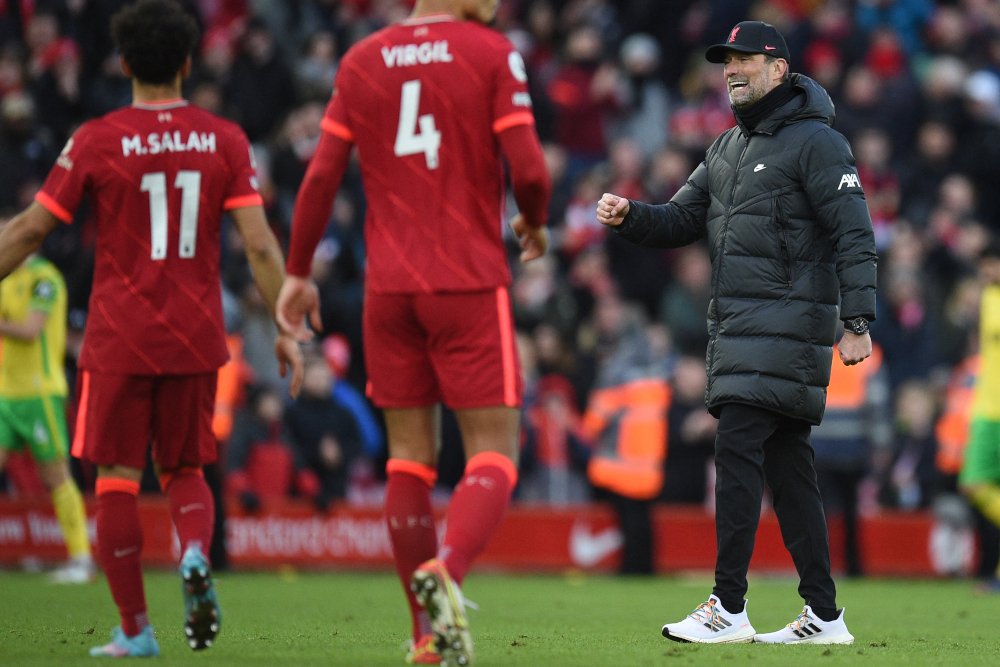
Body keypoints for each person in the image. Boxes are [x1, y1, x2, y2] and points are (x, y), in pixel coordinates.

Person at [0, 0, 303, 658]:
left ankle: (136, 629)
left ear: (126, 63)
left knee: (114, 478)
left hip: (118, 334)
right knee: (185, 466)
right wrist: (285, 326)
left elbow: (30, 229)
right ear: (190, 63)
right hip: (195, 332)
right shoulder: (225, 138)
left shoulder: (97, 138)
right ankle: (194, 549)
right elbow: (258, 245)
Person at [275, 0, 552, 663]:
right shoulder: (490, 51)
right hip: (467, 279)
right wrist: (534, 221)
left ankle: (427, 637)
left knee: (408, 458)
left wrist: (297, 271)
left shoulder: (362, 58)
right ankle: (447, 570)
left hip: (387, 288)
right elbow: (532, 169)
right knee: (494, 451)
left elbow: (319, 176)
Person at [597, 21, 877, 645]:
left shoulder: (817, 143)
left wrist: (857, 320)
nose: (731, 70)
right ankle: (825, 617)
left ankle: (728, 605)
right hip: (744, 331)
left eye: (745, 59)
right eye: (726, 61)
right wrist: (631, 216)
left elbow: (855, 232)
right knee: (789, 471)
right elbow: (680, 218)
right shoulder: (726, 148)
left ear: (779, 69)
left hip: (785, 328)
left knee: (739, 450)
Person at [0, 249, 94, 584]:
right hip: (6, 393)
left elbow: (29, 329)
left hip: (40, 392)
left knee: (55, 475)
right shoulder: (6, 277)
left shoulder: (45, 279)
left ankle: (81, 560)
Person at [959, 242, 1000, 593]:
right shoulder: (987, 296)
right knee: (973, 482)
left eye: (992, 265)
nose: (987, 272)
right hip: (988, 408)